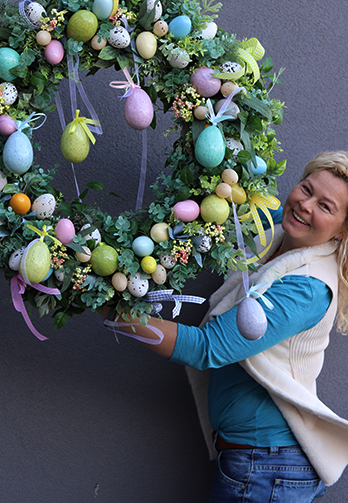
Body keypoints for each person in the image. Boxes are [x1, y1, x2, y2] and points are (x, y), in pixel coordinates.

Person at [103, 151, 348, 502]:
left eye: (326, 206)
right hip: (259, 463)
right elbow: (238, 202)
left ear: (342, 230)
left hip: (267, 467)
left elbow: (207, 348)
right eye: (306, 189)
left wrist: (116, 315)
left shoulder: (307, 288)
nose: (306, 205)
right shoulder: (283, 227)